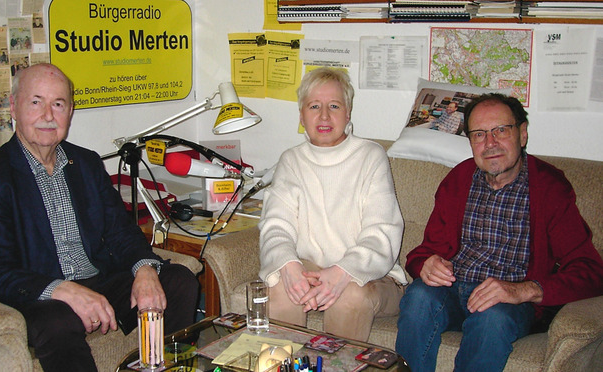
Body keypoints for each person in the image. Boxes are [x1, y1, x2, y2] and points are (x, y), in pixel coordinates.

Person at [0, 63, 199, 372]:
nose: (48, 115)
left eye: (58, 104)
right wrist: (62, 289)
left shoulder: (85, 163)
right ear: (14, 107)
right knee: (58, 321)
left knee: (179, 281)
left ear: (70, 111)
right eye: (36, 102)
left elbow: (121, 231)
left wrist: (144, 269)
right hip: (38, 294)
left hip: (97, 278)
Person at [395, 93, 603, 372]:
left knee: (492, 318)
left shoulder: (549, 188)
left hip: (509, 302)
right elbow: (422, 253)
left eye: (501, 130)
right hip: (454, 291)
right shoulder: (458, 180)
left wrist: (524, 290)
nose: (490, 143)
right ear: (470, 142)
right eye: (479, 134)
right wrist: (426, 265)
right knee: (419, 296)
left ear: (523, 134)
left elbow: (591, 271)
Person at [258, 67, 407, 342]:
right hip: (312, 267)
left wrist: (342, 273)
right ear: (302, 115)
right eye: (314, 106)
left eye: (334, 106)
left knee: (348, 295)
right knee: (279, 285)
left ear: (348, 113)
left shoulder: (370, 156)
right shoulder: (291, 161)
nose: (324, 116)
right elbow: (275, 225)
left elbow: (382, 234)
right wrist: (289, 267)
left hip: (375, 277)